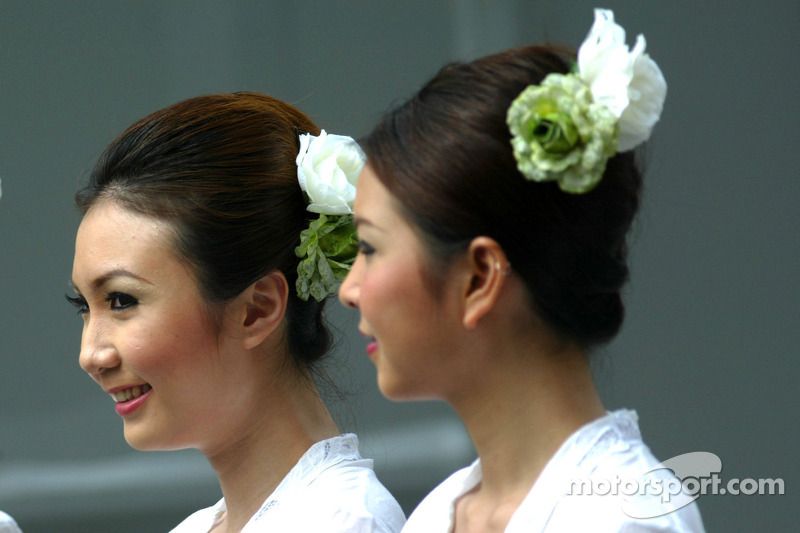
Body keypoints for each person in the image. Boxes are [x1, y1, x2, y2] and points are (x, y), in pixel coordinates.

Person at [339, 9, 704, 532]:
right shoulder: (437, 514)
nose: (349, 290)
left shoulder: (621, 516)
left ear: (480, 277)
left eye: (370, 248)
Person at [69, 92, 405, 532]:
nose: (91, 355)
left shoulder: (342, 521)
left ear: (257, 309)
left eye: (121, 300)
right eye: (84, 306)